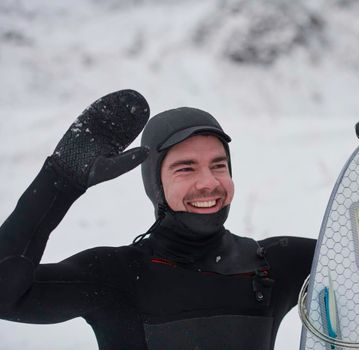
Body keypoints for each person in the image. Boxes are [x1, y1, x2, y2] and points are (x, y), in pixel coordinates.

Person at [0, 90, 316, 350]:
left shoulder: (272, 266)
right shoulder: (115, 276)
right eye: (186, 168)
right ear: (156, 184)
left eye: (219, 166)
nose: (209, 182)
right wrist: (60, 181)